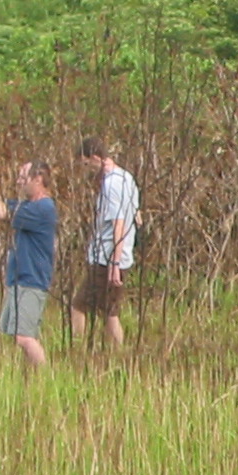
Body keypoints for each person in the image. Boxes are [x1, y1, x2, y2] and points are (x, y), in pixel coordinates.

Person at [0, 161, 58, 372]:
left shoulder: (44, 208)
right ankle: (30, 379)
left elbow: (4, 213)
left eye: (23, 178)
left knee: (24, 337)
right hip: (19, 279)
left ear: (38, 179)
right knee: (20, 336)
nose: (18, 182)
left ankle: (46, 377)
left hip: (32, 280)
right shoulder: (28, 206)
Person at [71, 138, 139, 350]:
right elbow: (137, 217)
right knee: (109, 311)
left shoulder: (111, 185)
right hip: (118, 255)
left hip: (107, 258)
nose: (86, 170)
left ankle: (76, 350)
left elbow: (119, 224)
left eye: (86, 164)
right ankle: (118, 354)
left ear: (96, 158)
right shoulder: (127, 178)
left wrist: (114, 264)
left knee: (78, 306)